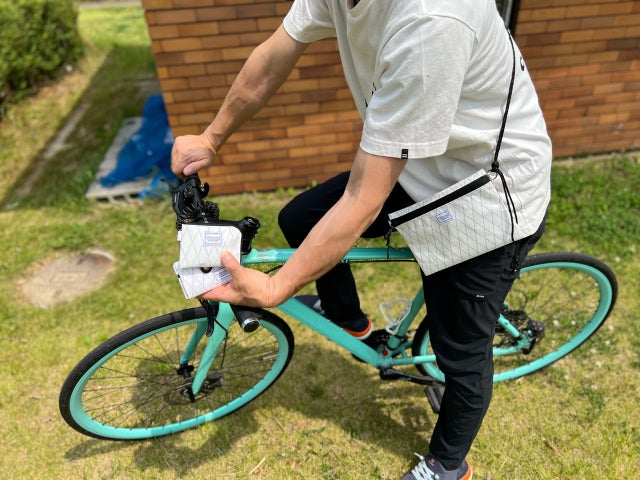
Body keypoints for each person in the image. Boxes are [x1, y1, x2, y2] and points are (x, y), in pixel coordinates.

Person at [171, 1, 552, 478]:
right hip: (420, 162)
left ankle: (447, 465)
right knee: (301, 218)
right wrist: (211, 137)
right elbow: (273, 56)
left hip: (486, 194)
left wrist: (276, 286)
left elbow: (361, 200)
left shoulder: (430, 22)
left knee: (460, 354)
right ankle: (350, 320)